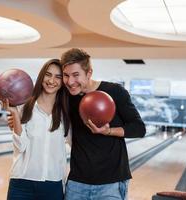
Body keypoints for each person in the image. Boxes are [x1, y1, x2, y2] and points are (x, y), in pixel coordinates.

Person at [61, 48, 146, 200]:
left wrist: (108, 131)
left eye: (75, 75)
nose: (70, 81)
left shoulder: (115, 91)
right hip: (77, 182)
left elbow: (139, 129)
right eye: (66, 75)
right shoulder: (67, 97)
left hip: (111, 183)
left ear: (89, 73)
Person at [0, 59, 70, 200]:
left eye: (58, 76)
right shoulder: (25, 107)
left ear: (63, 81)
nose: (51, 80)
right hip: (22, 183)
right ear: (41, 76)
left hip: (53, 184)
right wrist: (15, 114)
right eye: (48, 75)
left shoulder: (65, 113)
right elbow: (20, 146)